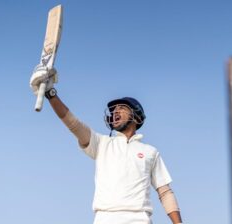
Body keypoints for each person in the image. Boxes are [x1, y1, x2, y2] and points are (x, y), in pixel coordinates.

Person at [30, 67, 183, 224]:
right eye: (113, 110)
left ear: (137, 117)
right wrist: (51, 94)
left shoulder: (150, 152)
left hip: (140, 219)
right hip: (105, 218)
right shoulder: (102, 143)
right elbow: (72, 123)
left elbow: (165, 192)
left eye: (122, 108)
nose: (115, 112)